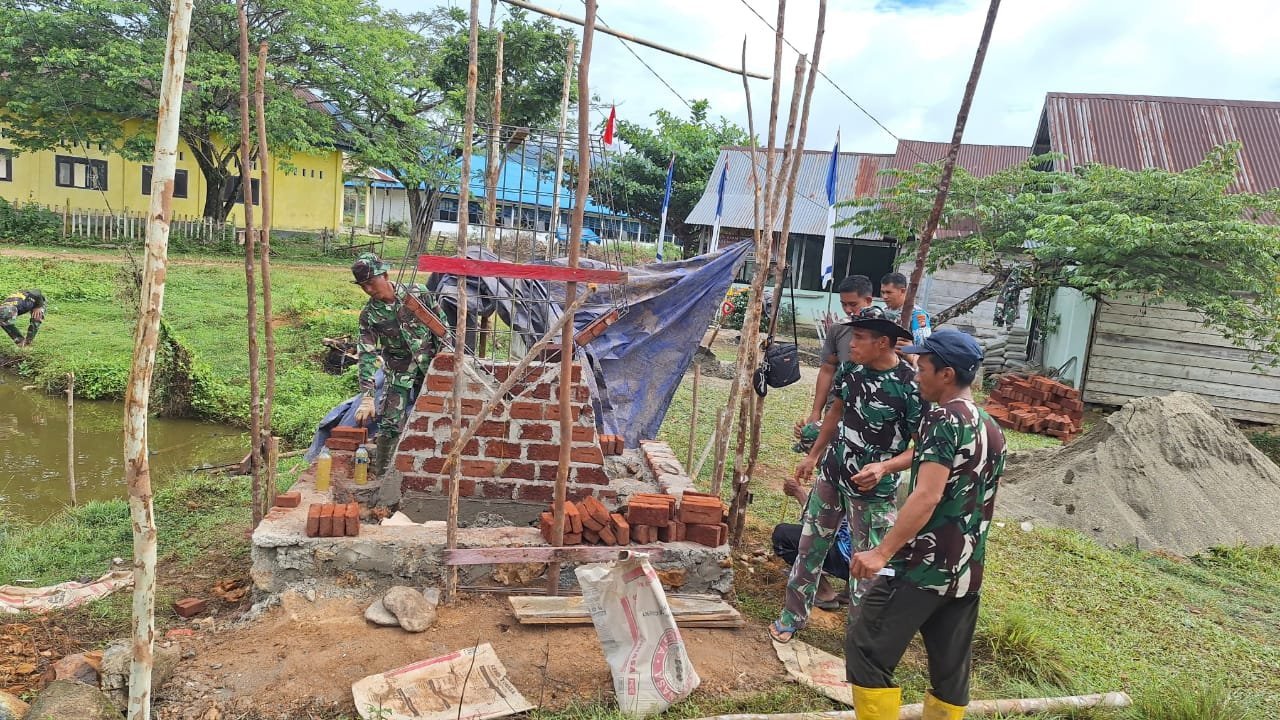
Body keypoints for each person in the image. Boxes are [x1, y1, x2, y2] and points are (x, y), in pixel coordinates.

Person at [844, 329, 1007, 720]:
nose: (916, 374)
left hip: (922, 567)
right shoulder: (990, 426)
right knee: (950, 673)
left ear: (946, 374)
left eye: (923, 367)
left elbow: (927, 496)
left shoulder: (942, 418)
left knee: (865, 650)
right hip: (965, 571)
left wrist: (882, 551)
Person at [770, 307, 924, 643]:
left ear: (882, 343)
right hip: (833, 474)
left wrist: (884, 467)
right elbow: (836, 412)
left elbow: (921, 448)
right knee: (809, 547)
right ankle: (792, 616)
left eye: (859, 338)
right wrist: (813, 455)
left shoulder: (911, 386)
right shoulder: (851, 368)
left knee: (866, 564)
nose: (851, 343)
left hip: (872, 491)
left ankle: (861, 637)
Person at [351, 253, 448, 478]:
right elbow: (366, 354)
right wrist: (367, 396)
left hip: (430, 367)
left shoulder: (417, 294)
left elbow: (442, 327)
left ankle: (430, 471)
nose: (368, 289)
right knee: (390, 424)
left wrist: (447, 361)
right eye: (363, 286)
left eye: (371, 282)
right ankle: (384, 476)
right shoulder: (369, 315)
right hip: (398, 371)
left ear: (385, 275)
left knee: (437, 416)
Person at [793, 275, 874, 452]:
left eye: (853, 304)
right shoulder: (838, 329)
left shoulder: (885, 333)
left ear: (868, 300)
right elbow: (827, 370)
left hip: (871, 408)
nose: (848, 310)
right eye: (843, 304)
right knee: (827, 452)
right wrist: (816, 411)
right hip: (837, 404)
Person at [879, 272, 932, 346]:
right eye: (883, 292)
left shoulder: (917, 314)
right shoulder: (881, 312)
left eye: (889, 292)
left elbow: (924, 345)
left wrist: (910, 348)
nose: (885, 296)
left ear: (903, 291)